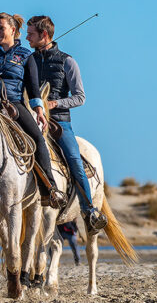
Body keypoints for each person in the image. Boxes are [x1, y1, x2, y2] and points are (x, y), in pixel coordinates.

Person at [0, 13, 65, 213]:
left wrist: (39, 110)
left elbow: (32, 88)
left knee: (38, 139)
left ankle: (49, 188)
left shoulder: (25, 55)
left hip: (14, 105)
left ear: (13, 31)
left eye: (1, 29)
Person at [27, 15, 106, 233]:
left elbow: (80, 97)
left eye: (31, 34)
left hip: (59, 123)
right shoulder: (28, 60)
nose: (26, 37)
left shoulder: (67, 61)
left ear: (44, 35)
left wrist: (54, 103)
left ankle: (89, 210)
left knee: (73, 158)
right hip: (31, 119)